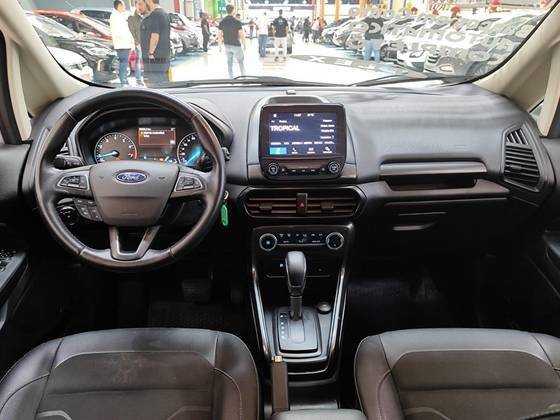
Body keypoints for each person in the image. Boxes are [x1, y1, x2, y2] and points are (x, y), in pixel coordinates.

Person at [140, 0, 171, 86]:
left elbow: (155, 36)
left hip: (155, 57)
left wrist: (150, 53)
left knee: (154, 84)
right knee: (163, 82)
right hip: (164, 55)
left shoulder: (155, 15)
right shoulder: (164, 13)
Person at [110, 0, 134, 85]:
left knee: (124, 62)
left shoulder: (119, 15)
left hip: (124, 43)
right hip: (122, 44)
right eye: (123, 5)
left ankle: (124, 79)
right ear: (119, 6)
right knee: (124, 62)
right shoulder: (115, 17)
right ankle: (123, 80)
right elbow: (121, 32)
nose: (124, 7)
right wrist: (129, 40)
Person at [218, 5, 246, 78]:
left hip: (227, 45)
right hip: (236, 45)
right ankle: (244, 78)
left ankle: (231, 79)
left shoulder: (222, 22)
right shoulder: (237, 22)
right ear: (233, 10)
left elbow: (219, 35)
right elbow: (241, 34)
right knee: (240, 62)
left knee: (229, 63)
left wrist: (220, 46)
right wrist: (244, 44)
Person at [128, 0, 146, 85]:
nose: (139, 7)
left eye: (141, 4)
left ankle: (146, 78)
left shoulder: (144, 17)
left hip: (146, 43)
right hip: (138, 43)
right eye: (138, 5)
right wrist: (137, 43)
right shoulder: (131, 18)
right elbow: (131, 32)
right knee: (138, 61)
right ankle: (138, 79)